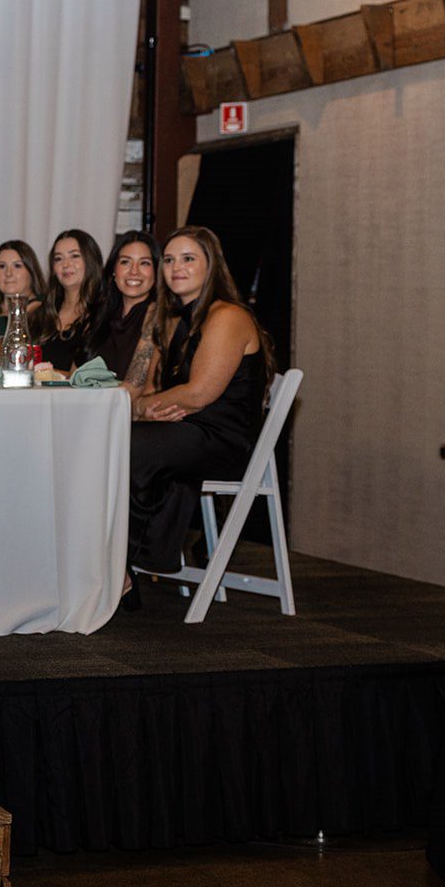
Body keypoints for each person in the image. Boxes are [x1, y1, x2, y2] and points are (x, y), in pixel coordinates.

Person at [126, 225, 273, 604]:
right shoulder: (178, 319)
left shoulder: (227, 316)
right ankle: (127, 561)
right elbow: (155, 390)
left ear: (212, 266)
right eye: (170, 260)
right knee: (117, 442)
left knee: (127, 445)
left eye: (188, 258)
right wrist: (148, 405)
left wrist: (140, 409)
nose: (176, 267)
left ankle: (123, 564)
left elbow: (197, 394)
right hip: (189, 432)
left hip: (223, 441)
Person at [88, 230, 162, 392]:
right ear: (114, 269)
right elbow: (76, 375)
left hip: (122, 411)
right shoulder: (100, 313)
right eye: (125, 262)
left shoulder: (156, 315)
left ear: (157, 271)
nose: (134, 271)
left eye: (144, 263)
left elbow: (133, 389)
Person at [0, 239, 44, 338]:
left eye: (17, 266)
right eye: (2, 266)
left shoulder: (45, 310)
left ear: (32, 272)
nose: (8, 273)